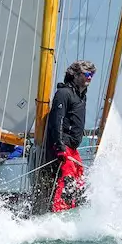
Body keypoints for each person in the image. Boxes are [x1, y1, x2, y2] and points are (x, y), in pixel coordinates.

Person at [45, 60, 96, 212]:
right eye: (87, 74)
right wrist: (60, 147)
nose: (90, 77)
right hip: (63, 144)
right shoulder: (64, 93)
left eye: (92, 74)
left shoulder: (82, 95)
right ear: (75, 75)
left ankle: (73, 210)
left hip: (73, 146)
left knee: (80, 179)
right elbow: (57, 121)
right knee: (68, 179)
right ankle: (59, 211)